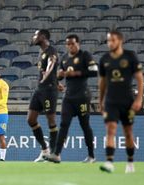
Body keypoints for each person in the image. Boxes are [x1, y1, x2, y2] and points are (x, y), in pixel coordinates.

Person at [46, 34, 97, 163]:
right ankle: (56, 154)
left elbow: (94, 71)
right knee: (63, 125)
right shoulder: (64, 58)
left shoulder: (85, 55)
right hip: (68, 97)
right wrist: (58, 80)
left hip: (82, 96)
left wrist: (74, 73)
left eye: (72, 44)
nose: (70, 46)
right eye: (68, 44)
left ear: (78, 44)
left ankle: (91, 156)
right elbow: (60, 75)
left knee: (84, 125)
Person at [98, 31, 144, 173]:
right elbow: (102, 82)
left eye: (112, 40)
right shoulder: (104, 59)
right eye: (108, 40)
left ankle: (130, 162)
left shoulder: (130, 56)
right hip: (111, 101)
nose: (110, 43)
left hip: (127, 101)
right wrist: (101, 101)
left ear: (120, 41)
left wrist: (138, 99)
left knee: (128, 132)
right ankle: (109, 162)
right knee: (110, 130)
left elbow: (140, 80)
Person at [27, 29, 60, 162]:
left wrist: (47, 75)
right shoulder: (41, 53)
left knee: (51, 120)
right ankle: (45, 150)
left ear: (43, 37)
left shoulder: (51, 50)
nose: (33, 37)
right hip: (40, 89)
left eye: (36, 35)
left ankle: (54, 153)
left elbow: (52, 64)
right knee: (31, 119)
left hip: (49, 90)